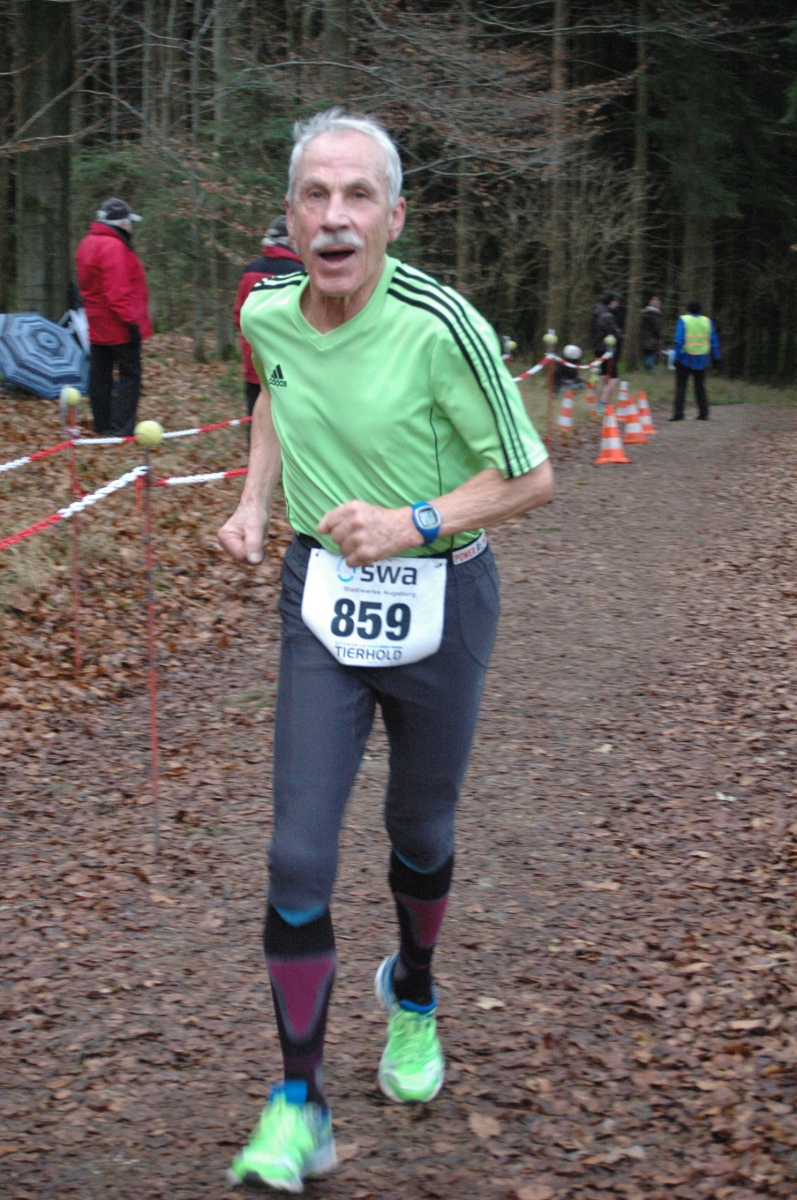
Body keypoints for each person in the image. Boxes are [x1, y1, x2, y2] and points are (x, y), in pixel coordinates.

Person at [218, 108, 553, 1193]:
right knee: (296, 856)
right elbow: (274, 397)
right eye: (314, 195)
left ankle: (412, 990)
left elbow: (532, 477)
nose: (334, 217)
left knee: (418, 829)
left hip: (441, 595)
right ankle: (298, 1103)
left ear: (393, 217)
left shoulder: (440, 326)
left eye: (357, 195)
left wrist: (413, 521)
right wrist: (254, 500)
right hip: (320, 596)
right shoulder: (266, 311)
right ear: (288, 216)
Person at [75, 198, 152, 436]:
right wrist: (131, 322)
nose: (131, 226)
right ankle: (122, 427)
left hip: (96, 322)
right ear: (121, 222)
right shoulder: (114, 247)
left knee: (100, 375)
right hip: (118, 324)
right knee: (130, 375)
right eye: (129, 222)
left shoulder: (87, 243)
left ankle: (103, 424)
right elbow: (116, 291)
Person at [232, 215, 305, 417]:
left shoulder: (250, 271)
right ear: (292, 240)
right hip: (292, 368)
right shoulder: (301, 274)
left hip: (255, 364)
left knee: (256, 420)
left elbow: (239, 317)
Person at [670, 300, 721, 421]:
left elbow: (679, 341)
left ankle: (678, 413)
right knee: (700, 387)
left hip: (685, 358)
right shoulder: (707, 321)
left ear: (688, 309)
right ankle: (703, 413)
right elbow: (714, 341)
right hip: (702, 359)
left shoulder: (684, 320)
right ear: (700, 310)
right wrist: (716, 357)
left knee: (681, 387)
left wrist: (676, 358)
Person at [591, 290, 622, 409]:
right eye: (616, 301)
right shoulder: (608, 316)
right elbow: (614, 332)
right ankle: (602, 406)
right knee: (613, 379)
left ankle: (595, 404)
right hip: (607, 350)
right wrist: (619, 333)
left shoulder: (597, 312)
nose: (617, 304)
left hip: (598, 348)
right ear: (611, 301)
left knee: (603, 377)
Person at [640, 296, 663, 371]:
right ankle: (649, 368)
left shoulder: (645, 314)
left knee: (647, 352)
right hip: (653, 337)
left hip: (645, 336)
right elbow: (657, 328)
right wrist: (659, 335)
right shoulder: (656, 316)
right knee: (651, 353)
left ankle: (645, 367)